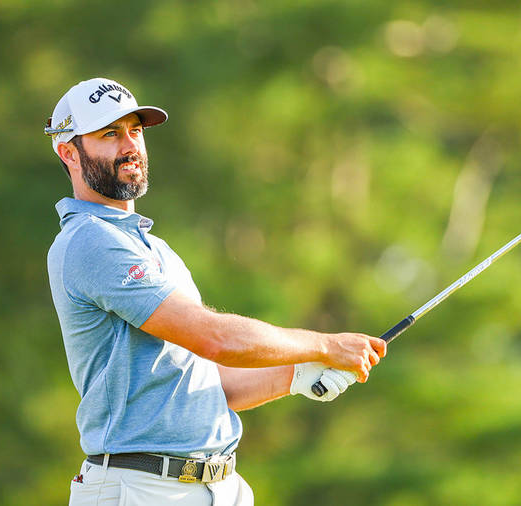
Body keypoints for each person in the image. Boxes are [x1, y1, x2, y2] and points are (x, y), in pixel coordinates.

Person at [44, 77, 387, 506]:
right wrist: (323, 344)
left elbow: (208, 381)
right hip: (142, 490)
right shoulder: (89, 240)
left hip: (217, 487)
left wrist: (299, 371)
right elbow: (216, 339)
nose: (129, 145)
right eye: (109, 134)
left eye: (135, 130)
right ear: (69, 153)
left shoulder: (155, 248)